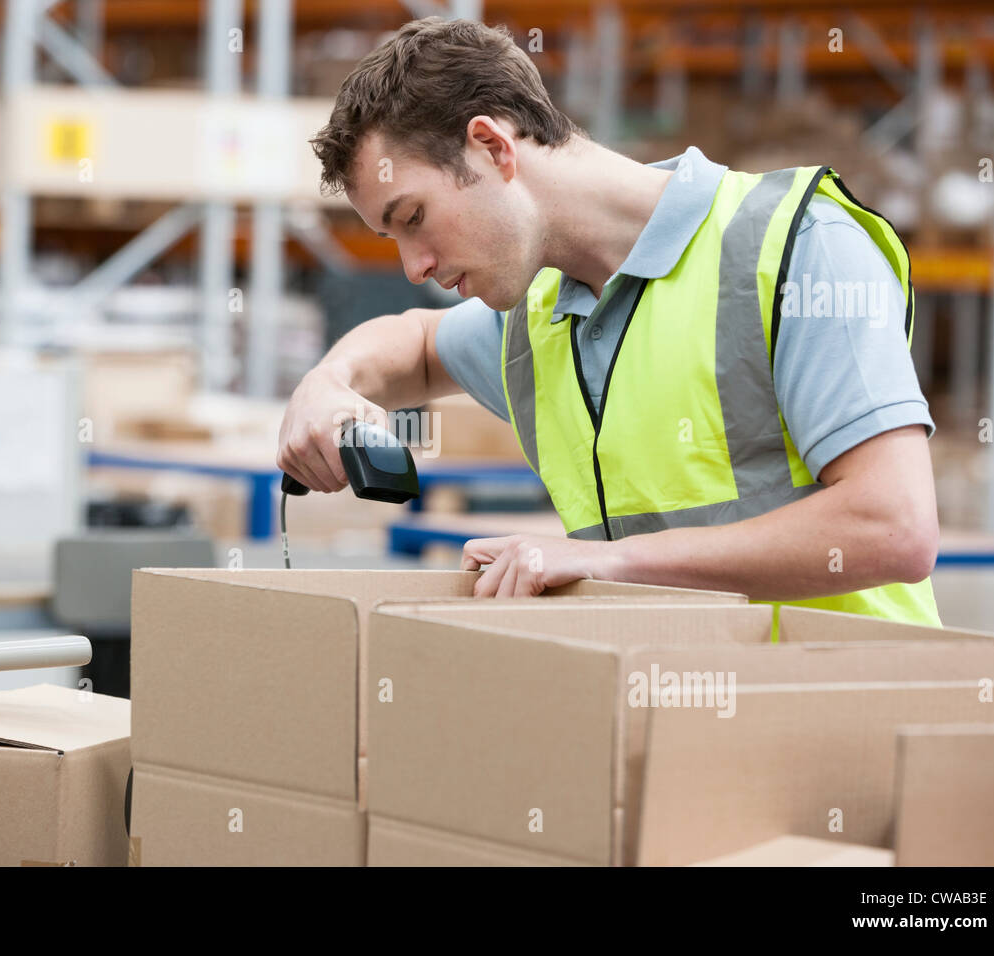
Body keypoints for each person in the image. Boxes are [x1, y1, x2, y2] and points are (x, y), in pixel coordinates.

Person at [278, 17, 940, 625]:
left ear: (490, 146)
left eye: (412, 218)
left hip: (846, 721)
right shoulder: (538, 316)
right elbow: (418, 346)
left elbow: (894, 526)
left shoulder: (796, 245)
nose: (413, 267)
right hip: (668, 726)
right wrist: (331, 381)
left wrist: (608, 564)